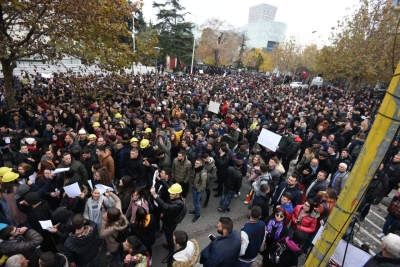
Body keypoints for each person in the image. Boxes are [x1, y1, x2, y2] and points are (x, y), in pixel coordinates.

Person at [150, 183, 185, 263]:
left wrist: (155, 195)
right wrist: (160, 179)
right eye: (170, 193)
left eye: (172, 193)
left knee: (169, 238)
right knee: (167, 236)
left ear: (178, 194)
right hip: (167, 221)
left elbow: (166, 207)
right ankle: (170, 245)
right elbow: (167, 186)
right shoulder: (177, 196)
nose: (170, 195)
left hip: (170, 225)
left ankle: (171, 252)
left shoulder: (178, 204)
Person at [99, 190, 128, 263]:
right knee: (121, 249)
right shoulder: (119, 213)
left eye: (107, 214)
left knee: (116, 255)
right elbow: (118, 201)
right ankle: (122, 257)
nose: (105, 213)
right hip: (119, 240)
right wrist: (110, 193)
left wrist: (104, 220)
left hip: (113, 245)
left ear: (110, 218)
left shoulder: (112, 228)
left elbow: (102, 233)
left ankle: (119, 263)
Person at [189, 158, 207, 222]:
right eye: (195, 162)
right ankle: (195, 210)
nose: (195, 164)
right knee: (195, 201)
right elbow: (194, 177)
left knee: (196, 203)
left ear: (201, 164)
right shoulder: (196, 169)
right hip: (194, 188)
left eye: (197, 163)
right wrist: (192, 184)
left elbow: (203, 185)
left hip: (198, 190)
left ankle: (198, 215)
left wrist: (198, 191)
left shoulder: (203, 173)